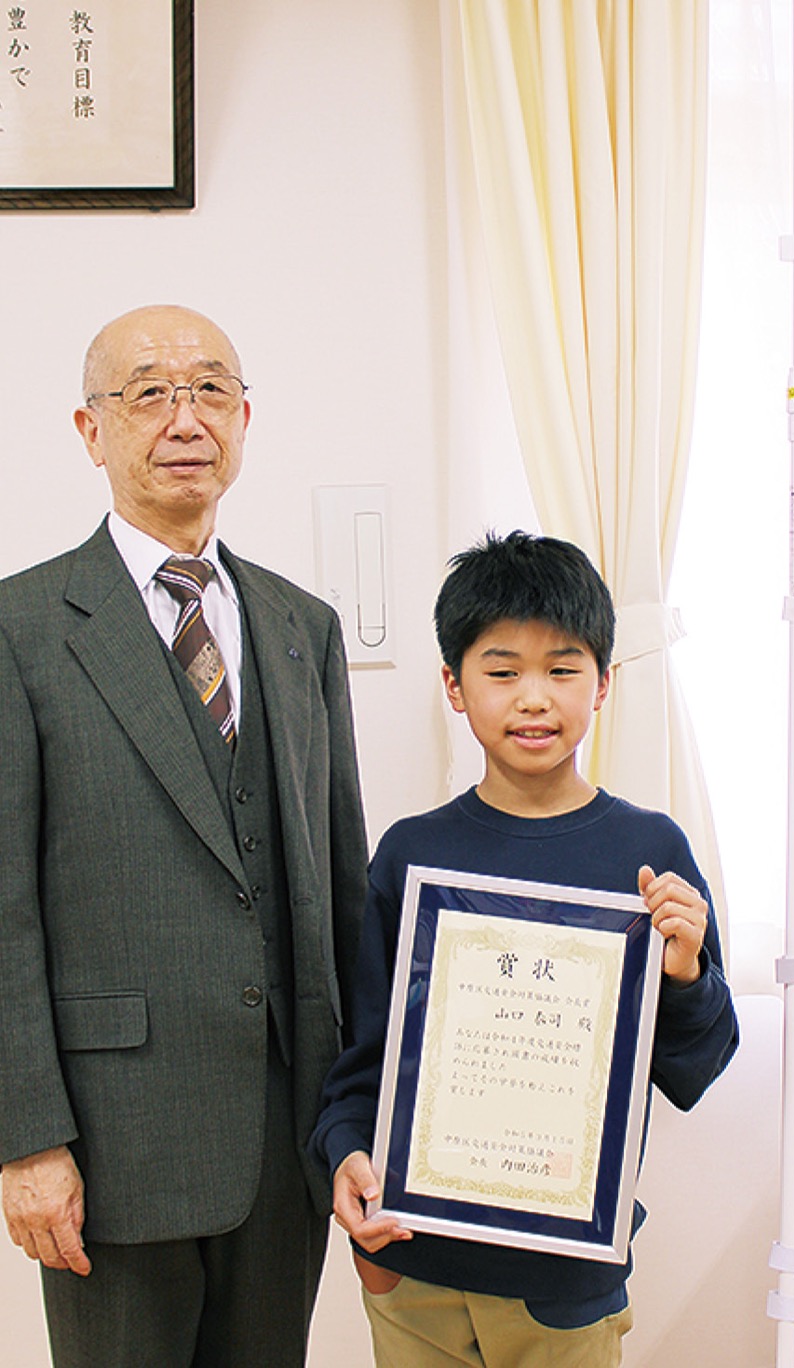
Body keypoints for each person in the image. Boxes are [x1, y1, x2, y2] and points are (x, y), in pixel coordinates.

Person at [0, 304, 369, 1366]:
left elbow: (342, 885)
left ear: (245, 420)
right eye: (149, 392)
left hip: (288, 1135)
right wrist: (27, 1139)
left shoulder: (302, 626)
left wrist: (358, 1113)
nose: (185, 417)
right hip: (111, 1142)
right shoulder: (22, 628)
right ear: (91, 430)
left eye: (210, 389)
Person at [310, 530, 739, 1367]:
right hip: (414, 1262)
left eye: (562, 669)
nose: (533, 698)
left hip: (563, 1274)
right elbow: (364, 1056)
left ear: (604, 682)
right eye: (502, 672)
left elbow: (696, 1067)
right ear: (454, 685)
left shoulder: (648, 854)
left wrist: (686, 975)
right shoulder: (412, 854)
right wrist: (346, 1152)